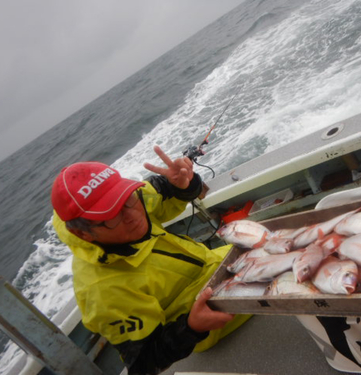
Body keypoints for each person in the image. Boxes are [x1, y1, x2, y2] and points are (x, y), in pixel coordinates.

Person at [51, 145, 249, 375]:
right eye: (110, 216)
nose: (132, 215)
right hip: (216, 319)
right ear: (82, 234)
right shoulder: (101, 291)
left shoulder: (130, 198)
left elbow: (165, 189)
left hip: (226, 264)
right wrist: (191, 328)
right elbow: (143, 362)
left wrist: (184, 183)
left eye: (127, 199)